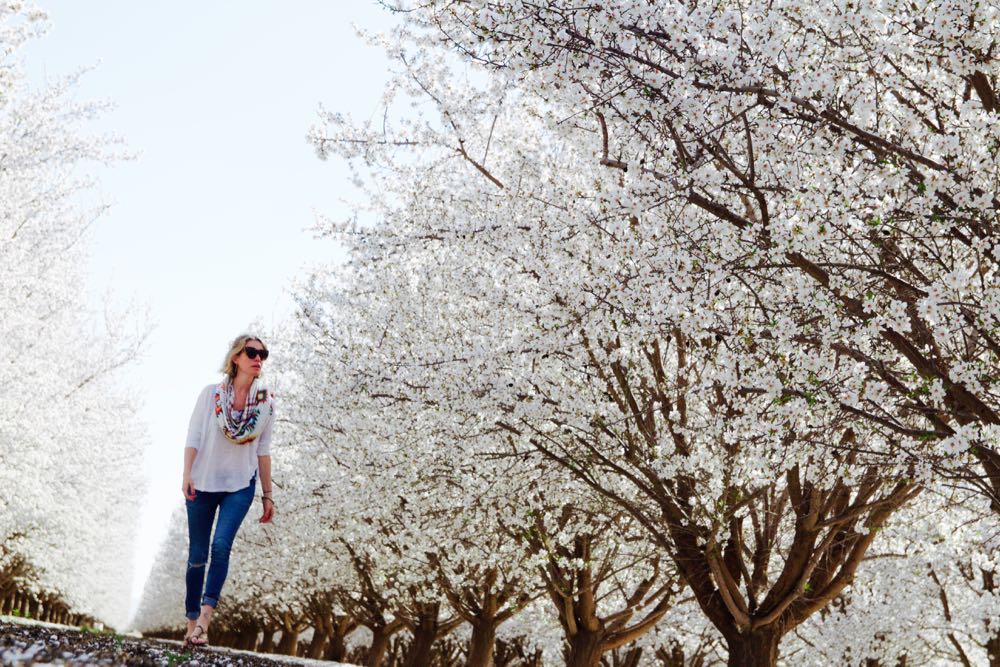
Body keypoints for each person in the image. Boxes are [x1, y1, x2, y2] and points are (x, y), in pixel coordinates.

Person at [181, 334, 276, 646]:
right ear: (236, 357)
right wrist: (186, 474)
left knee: (221, 545)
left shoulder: (265, 404)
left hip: (240, 484)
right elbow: (194, 435)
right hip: (203, 481)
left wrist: (267, 493)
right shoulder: (210, 396)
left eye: (262, 353)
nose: (258, 358)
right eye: (251, 352)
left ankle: (205, 622)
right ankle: (191, 619)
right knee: (197, 555)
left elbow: (264, 450)